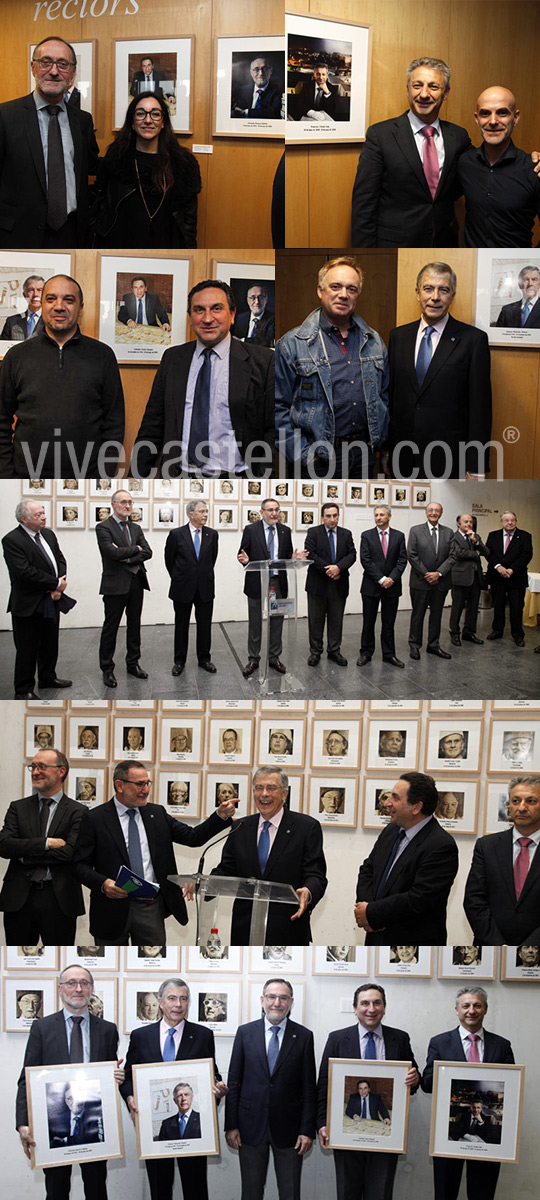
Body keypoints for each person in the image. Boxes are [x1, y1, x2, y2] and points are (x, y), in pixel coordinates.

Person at [73, 761, 235, 945]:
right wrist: (103, 884)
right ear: (120, 785)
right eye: (140, 784)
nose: (146, 789)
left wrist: (220, 816)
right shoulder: (95, 818)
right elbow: (79, 865)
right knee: (112, 965)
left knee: (152, 962)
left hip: (150, 905)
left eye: (147, 783)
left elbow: (193, 837)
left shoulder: (156, 814)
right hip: (110, 908)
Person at [131, 279, 275, 476]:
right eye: (199, 310)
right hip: (178, 477)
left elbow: (272, 429)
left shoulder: (264, 361)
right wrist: (135, 477)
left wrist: (265, 480)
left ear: (232, 315)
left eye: (216, 309)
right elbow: (153, 424)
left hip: (237, 479)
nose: (207, 319)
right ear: (191, 317)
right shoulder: (173, 359)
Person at [0, 274, 125, 478]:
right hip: (25, 478)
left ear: (80, 307)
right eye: (51, 299)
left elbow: (114, 422)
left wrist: (104, 476)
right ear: (42, 304)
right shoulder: (17, 356)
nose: (59, 306)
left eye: (69, 300)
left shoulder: (102, 356)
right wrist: (6, 476)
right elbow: (1, 419)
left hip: (87, 479)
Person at [275, 257, 389, 478]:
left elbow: (383, 398)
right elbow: (278, 408)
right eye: (335, 287)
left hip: (364, 455)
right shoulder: (292, 344)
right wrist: (305, 454)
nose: (343, 294)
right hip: (318, 458)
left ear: (358, 295)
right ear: (320, 290)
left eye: (351, 289)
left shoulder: (374, 341)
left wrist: (381, 446)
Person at [15, 963, 122, 1200]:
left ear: (92, 988)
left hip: (94, 1123)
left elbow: (109, 1074)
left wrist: (117, 1077)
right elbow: (26, 1078)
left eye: (84, 983)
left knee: (96, 1189)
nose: (78, 989)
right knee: (56, 1190)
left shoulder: (107, 1030)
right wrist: (23, 1123)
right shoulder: (41, 1028)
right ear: (60, 988)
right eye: (71, 983)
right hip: (54, 1123)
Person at [120, 977, 228, 1200]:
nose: (178, 1004)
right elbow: (129, 1076)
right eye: (172, 998)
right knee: (159, 1189)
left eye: (183, 998)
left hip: (193, 1130)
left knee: (195, 1188)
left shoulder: (202, 1035)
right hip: (157, 1129)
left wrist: (217, 1089)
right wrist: (130, 1096)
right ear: (160, 1002)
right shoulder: (141, 1036)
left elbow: (212, 1074)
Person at [351, 56, 470, 247]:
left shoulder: (459, 136)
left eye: (433, 87)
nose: (424, 94)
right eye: (417, 85)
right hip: (396, 245)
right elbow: (364, 204)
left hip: (445, 243)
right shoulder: (380, 135)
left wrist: (531, 160)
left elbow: (481, 168)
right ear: (407, 90)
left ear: (446, 93)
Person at [387, 262, 492, 477]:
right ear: (417, 293)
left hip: (448, 458)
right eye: (428, 289)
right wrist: (387, 450)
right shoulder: (398, 336)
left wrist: (476, 466)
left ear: (452, 296)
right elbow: (392, 398)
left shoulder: (473, 340)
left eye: (443, 290)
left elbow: (480, 409)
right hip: (402, 456)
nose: (435, 297)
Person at [317, 984, 420, 1200]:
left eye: (377, 1003)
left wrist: (415, 1078)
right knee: (347, 1193)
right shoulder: (337, 1039)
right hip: (345, 1134)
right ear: (355, 1008)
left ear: (384, 1007)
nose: (371, 1008)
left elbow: (412, 1082)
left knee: (380, 1194)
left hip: (385, 1139)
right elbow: (324, 1084)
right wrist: (322, 1123)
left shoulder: (400, 1039)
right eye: (365, 1003)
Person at [0, 36, 99, 248]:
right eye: (45, 62)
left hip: (72, 233)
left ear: (72, 73)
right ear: (33, 68)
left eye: (62, 64)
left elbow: (91, 168)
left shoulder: (82, 120)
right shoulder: (5, 116)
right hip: (17, 235)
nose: (54, 71)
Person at [210, 767, 327, 945]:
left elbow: (316, 874)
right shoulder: (240, 827)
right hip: (245, 929)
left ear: (284, 793)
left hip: (288, 927)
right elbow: (227, 869)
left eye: (271, 788)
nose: (264, 794)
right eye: (259, 788)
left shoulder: (306, 827)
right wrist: (204, 884)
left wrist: (308, 891)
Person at [225, 977, 316, 1200]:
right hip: (249, 1127)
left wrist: (306, 1130)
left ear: (291, 1002)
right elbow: (234, 1081)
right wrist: (231, 1125)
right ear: (262, 1000)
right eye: (272, 997)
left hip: (290, 1130)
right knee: (251, 1192)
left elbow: (308, 1088)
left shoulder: (304, 1036)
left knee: (290, 1192)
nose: (277, 1002)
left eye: (283, 998)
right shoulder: (245, 1033)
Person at [422, 987, 514, 1200]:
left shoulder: (501, 1045)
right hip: (449, 1132)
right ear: (457, 1010)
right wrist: (447, 1075)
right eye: (466, 1006)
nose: (471, 1010)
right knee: (445, 1193)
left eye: (477, 1005)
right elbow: (427, 1084)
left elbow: (510, 1087)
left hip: (489, 1136)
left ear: (485, 1010)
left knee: (482, 1193)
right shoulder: (439, 1042)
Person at [355, 772, 459, 944]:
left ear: (416, 807)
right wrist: (366, 910)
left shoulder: (441, 846)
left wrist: (373, 913)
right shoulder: (391, 831)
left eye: (395, 798)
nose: (387, 803)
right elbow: (368, 870)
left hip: (412, 949)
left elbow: (419, 899)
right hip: (375, 939)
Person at [91, 93, 201, 249]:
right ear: (132, 122)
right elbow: (99, 204)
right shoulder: (115, 160)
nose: (148, 120)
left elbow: (189, 223)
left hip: (166, 247)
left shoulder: (183, 165)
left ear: (163, 122)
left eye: (155, 114)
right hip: (118, 244)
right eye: (141, 114)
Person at [0, 749, 85, 945]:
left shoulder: (78, 812)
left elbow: (69, 853)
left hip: (59, 899)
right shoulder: (18, 807)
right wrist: (47, 843)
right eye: (33, 767)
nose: (35, 772)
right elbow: (4, 845)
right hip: (19, 897)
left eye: (42, 767)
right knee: (17, 961)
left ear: (61, 771)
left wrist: (25, 855)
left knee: (59, 959)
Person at [2, 499, 74, 698]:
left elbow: (60, 560)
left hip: (52, 599)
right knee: (27, 648)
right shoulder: (12, 540)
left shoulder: (48, 534)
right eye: (38, 515)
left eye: (43, 512)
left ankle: (47, 677)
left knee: (50, 642)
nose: (43, 517)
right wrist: (54, 583)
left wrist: (59, 584)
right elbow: (24, 572)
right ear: (24, 519)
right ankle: (23, 689)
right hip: (28, 603)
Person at [464, 775, 540, 944]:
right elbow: (474, 901)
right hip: (491, 949)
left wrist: (527, 950)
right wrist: (500, 947)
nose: (521, 807)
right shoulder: (487, 846)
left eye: (531, 801)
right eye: (515, 801)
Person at [459, 87, 540, 247]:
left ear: (515, 117)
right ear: (477, 118)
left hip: (515, 267)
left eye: (502, 113)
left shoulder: (534, 170)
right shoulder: (464, 163)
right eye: (485, 113)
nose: (493, 121)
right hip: (472, 263)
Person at [238, 497, 307, 677]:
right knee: (255, 621)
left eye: (277, 509)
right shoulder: (251, 530)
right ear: (262, 512)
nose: (274, 513)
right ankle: (253, 659)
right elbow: (243, 555)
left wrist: (294, 559)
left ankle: (274, 657)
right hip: (257, 583)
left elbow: (286, 557)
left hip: (277, 584)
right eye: (270, 510)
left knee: (277, 619)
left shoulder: (285, 531)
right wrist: (245, 560)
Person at [96, 488, 153, 689]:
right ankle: (107, 668)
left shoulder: (135, 528)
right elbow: (111, 552)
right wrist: (134, 550)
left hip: (136, 582)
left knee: (134, 626)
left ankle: (133, 663)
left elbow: (148, 551)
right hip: (114, 584)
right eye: (123, 502)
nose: (127, 505)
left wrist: (127, 555)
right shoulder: (103, 527)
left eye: (130, 502)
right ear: (113, 504)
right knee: (110, 627)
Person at [164, 498, 218, 676]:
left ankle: (205, 659)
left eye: (206, 511)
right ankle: (179, 661)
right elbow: (169, 560)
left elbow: (212, 559)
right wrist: (180, 576)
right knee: (181, 625)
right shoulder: (176, 534)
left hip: (205, 587)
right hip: (182, 587)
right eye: (202, 512)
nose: (205, 515)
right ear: (191, 514)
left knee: (205, 625)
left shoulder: (212, 534)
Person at [304, 502, 356, 667]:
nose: (332, 519)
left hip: (339, 583)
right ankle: (315, 652)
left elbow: (352, 554)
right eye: (328, 516)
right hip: (318, 583)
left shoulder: (346, 534)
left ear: (338, 516)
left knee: (336, 619)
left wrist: (338, 567)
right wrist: (329, 569)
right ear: (322, 517)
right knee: (315, 620)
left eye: (335, 515)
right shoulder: (313, 532)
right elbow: (310, 553)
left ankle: (334, 651)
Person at [357, 505, 407, 668]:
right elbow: (366, 560)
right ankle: (366, 652)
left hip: (392, 586)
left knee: (389, 622)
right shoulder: (366, 535)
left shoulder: (399, 536)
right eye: (376, 515)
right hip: (371, 585)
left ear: (389, 517)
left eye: (382, 515)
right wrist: (381, 579)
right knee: (368, 621)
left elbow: (402, 560)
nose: (378, 517)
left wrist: (391, 578)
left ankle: (389, 654)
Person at [407, 501, 455, 659]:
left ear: (441, 513)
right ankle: (414, 645)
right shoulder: (415, 530)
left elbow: (452, 556)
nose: (434, 513)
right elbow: (412, 555)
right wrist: (427, 574)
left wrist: (439, 573)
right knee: (418, 614)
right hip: (420, 581)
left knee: (437, 614)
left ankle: (433, 645)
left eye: (437, 510)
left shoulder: (449, 533)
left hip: (440, 582)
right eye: (431, 510)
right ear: (426, 512)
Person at [485, 510, 533, 646]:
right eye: (506, 520)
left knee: (516, 607)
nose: (510, 522)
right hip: (497, 577)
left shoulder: (524, 536)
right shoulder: (493, 535)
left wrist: (512, 569)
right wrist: (498, 567)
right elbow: (489, 553)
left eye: (512, 520)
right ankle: (497, 630)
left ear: (516, 521)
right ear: (501, 522)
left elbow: (526, 555)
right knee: (498, 604)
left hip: (516, 577)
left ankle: (517, 634)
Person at [449, 513, 489, 646]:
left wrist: (476, 542)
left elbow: (487, 552)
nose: (468, 524)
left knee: (473, 607)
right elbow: (458, 553)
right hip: (460, 577)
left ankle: (469, 632)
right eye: (465, 522)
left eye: (470, 522)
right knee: (457, 607)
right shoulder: (453, 537)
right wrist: (476, 553)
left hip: (475, 578)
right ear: (458, 524)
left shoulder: (475, 536)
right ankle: (454, 633)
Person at [47, 1082, 105, 1146]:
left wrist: (64, 1141)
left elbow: (91, 1139)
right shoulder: (57, 1121)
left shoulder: (96, 1117)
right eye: (70, 1098)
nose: (74, 1101)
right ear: (66, 1102)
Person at [232, 55, 283, 119]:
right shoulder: (243, 90)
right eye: (256, 69)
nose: (261, 73)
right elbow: (237, 110)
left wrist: (246, 112)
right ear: (251, 73)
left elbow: (274, 112)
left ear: (271, 71)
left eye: (265, 69)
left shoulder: (278, 90)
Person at [0, 275, 44, 340]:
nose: (35, 294)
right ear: (24, 295)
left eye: (39, 290)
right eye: (31, 290)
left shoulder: (51, 321)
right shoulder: (12, 322)